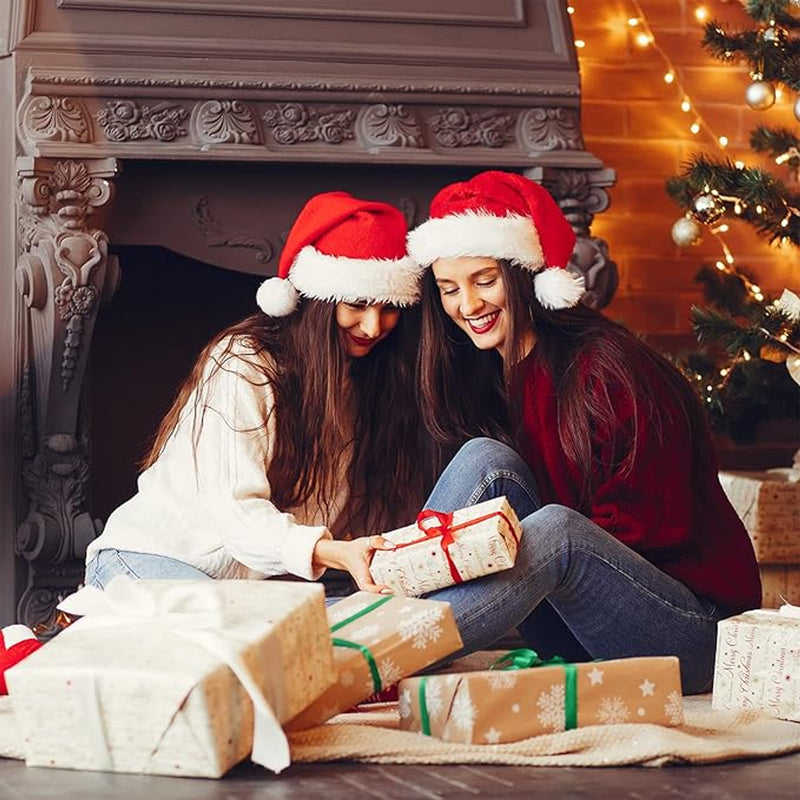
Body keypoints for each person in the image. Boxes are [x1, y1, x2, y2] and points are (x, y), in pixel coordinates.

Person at [408, 170, 761, 693]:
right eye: (449, 289)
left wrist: (515, 556)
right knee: (485, 458)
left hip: (692, 630)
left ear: (525, 273)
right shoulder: (489, 371)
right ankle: (386, 614)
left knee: (557, 530)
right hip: (583, 619)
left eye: (485, 280)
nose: (468, 305)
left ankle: (385, 654)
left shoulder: (606, 369)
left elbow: (644, 533)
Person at [85, 191, 430, 593]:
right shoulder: (245, 361)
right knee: (240, 643)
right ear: (319, 301)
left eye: (389, 308)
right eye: (356, 304)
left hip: (256, 590)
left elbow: (353, 514)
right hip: (152, 558)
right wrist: (336, 553)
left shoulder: (368, 381)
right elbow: (237, 515)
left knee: (360, 640)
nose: (373, 327)